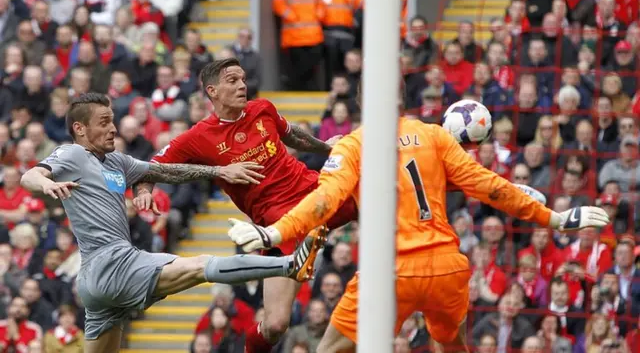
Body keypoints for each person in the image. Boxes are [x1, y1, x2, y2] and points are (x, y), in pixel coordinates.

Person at [228, 91, 610, 352]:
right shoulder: (434, 136)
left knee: (330, 349)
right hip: (447, 268)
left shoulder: (353, 145)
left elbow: (323, 201)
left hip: (390, 273)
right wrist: (554, 218)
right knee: (452, 345)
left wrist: (273, 231)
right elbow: (489, 186)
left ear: (363, 103)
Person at [18, 93, 326, 353]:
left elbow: (167, 171)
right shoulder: (72, 154)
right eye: (104, 123)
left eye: (113, 120)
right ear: (80, 129)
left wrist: (218, 172)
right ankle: (288, 265)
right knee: (201, 265)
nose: (113, 128)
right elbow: (30, 175)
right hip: (114, 264)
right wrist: (45, 183)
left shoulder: (117, 162)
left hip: (98, 283)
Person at [139, 58, 359, 352]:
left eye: (243, 79)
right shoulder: (199, 136)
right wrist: (144, 189)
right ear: (212, 91)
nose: (242, 85)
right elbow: (152, 165)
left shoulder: (262, 108)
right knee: (276, 325)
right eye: (232, 80)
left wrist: (325, 146)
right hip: (281, 224)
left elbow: (291, 134)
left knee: (380, 193)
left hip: (316, 192)